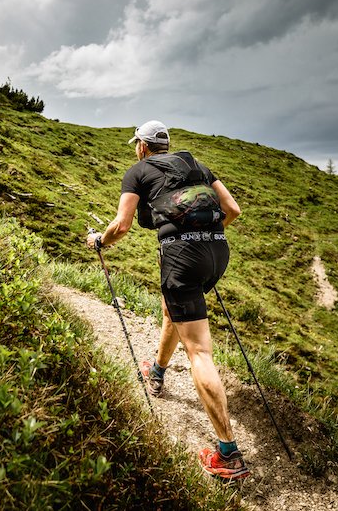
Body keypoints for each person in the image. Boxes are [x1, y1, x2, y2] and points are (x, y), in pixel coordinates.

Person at [86, 120, 249, 481]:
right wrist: (204, 235)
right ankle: (157, 372)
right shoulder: (198, 166)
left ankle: (228, 455)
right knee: (173, 310)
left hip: (182, 257)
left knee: (199, 352)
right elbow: (233, 210)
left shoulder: (137, 171)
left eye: (136, 145)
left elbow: (123, 225)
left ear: (142, 146)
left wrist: (99, 241)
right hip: (218, 252)